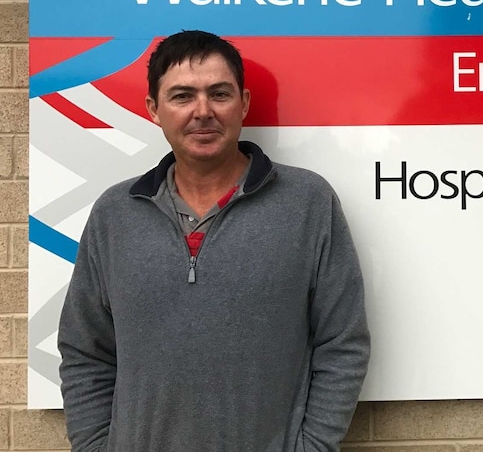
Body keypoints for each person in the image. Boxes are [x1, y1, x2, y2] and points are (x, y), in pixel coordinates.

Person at [58, 30, 370, 452]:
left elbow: (342, 343)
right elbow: (85, 351)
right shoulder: (115, 214)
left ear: (243, 103)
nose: (202, 112)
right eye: (182, 96)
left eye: (218, 94)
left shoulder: (307, 203)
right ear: (154, 109)